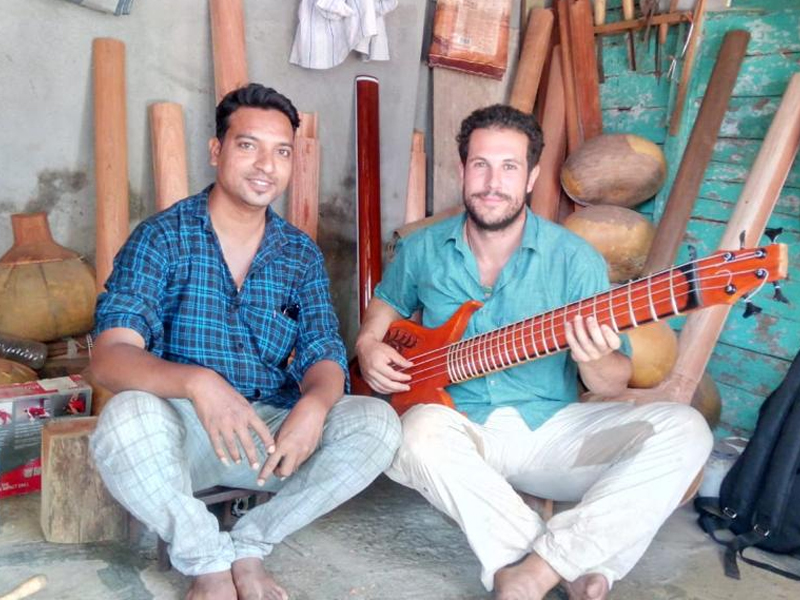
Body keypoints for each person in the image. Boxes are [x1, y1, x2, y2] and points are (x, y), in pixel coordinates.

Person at [355, 104, 713, 600]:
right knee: (409, 434)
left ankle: (533, 572)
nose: (492, 182)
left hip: (552, 432)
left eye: (509, 167)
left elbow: (612, 383)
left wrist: (594, 358)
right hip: (456, 427)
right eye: (481, 165)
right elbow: (386, 303)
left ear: (531, 177)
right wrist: (368, 344)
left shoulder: (575, 260)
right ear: (462, 170)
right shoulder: (423, 248)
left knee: (687, 430)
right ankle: (574, 564)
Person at [90, 84, 401, 600]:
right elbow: (108, 357)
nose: (266, 166)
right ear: (217, 151)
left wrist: (315, 405)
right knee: (125, 420)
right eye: (248, 145)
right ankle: (207, 561)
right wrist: (199, 383)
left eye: (282, 152)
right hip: (185, 434)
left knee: (377, 423)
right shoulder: (162, 237)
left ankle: (251, 543)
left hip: (270, 437)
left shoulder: (299, 253)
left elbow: (324, 350)